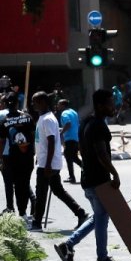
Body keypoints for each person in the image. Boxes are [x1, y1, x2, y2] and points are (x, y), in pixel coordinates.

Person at [53, 89, 126, 261]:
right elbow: (101, 154)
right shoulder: (99, 126)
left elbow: (81, 148)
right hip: (99, 180)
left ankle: (69, 245)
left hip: (88, 178)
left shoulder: (86, 122)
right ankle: (101, 258)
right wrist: (115, 174)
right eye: (110, 104)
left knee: (99, 216)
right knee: (101, 217)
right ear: (101, 106)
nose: (113, 107)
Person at [30, 91, 89, 232]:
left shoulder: (48, 119)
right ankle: (81, 213)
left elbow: (51, 141)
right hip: (45, 161)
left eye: (35, 102)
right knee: (58, 191)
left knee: (41, 192)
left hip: (48, 164)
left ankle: (37, 222)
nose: (33, 105)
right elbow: (43, 141)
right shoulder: (43, 118)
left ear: (43, 102)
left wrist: (48, 164)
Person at [1, 92, 35, 217]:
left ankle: (22, 212)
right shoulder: (28, 117)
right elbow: (33, 136)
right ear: (17, 103)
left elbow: (2, 142)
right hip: (27, 157)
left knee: (17, 185)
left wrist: (1, 160)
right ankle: (23, 212)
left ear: (6, 104)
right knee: (24, 184)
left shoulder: (5, 121)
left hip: (14, 157)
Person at [56, 100, 82, 184]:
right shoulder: (73, 112)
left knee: (68, 156)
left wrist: (61, 133)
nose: (57, 106)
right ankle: (87, 169)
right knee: (73, 157)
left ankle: (72, 177)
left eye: (59, 104)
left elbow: (68, 124)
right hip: (76, 137)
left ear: (63, 105)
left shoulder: (64, 113)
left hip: (69, 138)